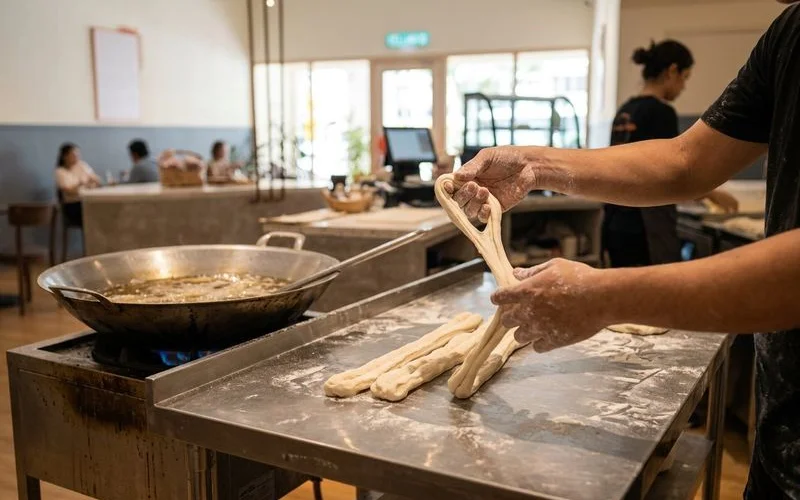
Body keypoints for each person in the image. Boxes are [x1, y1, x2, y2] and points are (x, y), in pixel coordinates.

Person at [447, 2, 800, 497]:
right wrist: (533, 165)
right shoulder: (790, 34)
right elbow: (685, 161)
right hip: (781, 431)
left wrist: (603, 296)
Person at [604, 39, 739, 267]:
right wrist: (712, 193)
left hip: (615, 222)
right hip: (645, 229)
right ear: (672, 71)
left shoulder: (625, 110)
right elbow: (674, 170)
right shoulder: (661, 112)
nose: (683, 87)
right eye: (684, 78)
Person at [54, 143, 101, 226]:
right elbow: (69, 191)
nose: (77, 157)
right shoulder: (60, 172)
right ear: (65, 156)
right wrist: (81, 184)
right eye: (74, 154)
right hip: (73, 205)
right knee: (93, 212)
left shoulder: (82, 165)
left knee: (101, 207)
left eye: (78, 154)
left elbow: (96, 181)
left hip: (88, 200)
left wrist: (94, 181)